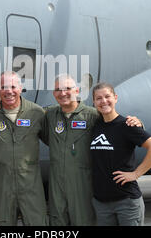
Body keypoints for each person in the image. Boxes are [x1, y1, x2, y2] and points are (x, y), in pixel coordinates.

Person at [44, 74, 142, 226]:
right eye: (58, 89)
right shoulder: (50, 115)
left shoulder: (92, 115)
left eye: (68, 88)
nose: (63, 93)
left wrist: (138, 124)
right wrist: (0, 102)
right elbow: (26, 112)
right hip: (57, 186)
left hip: (83, 185)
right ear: (53, 93)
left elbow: (116, 123)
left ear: (77, 91)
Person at [90, 82, 151, 226]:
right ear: (94, 102)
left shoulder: (127, 125)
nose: (103, 101)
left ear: (115, 98)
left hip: (126, 201)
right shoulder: (95, 126)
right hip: (101, 203)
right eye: (98, 98)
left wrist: (135, 174)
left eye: (107, 96)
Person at [0, 71, 48, 226]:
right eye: (4, 87)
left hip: (31, 188)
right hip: (2, 189)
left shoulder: (36, 113)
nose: (9, 91)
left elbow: (55, 140)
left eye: (13, 86)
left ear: (20, 88)